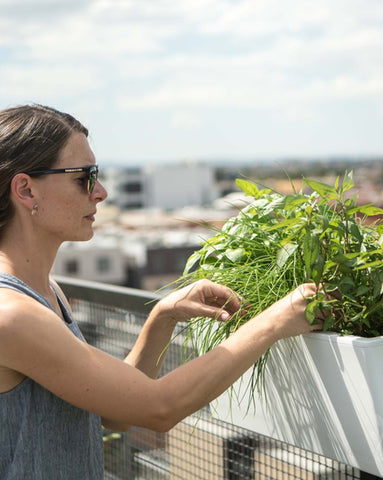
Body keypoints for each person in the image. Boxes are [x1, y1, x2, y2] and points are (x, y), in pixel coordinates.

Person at [0, 104, 322, 479]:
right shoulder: (14, 314)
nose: (100, 192)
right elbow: (158, 408)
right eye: (84, 177)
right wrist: (275, 321)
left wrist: (161, 318)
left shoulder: (44, 291)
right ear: (25, 190)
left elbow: (117, 411)